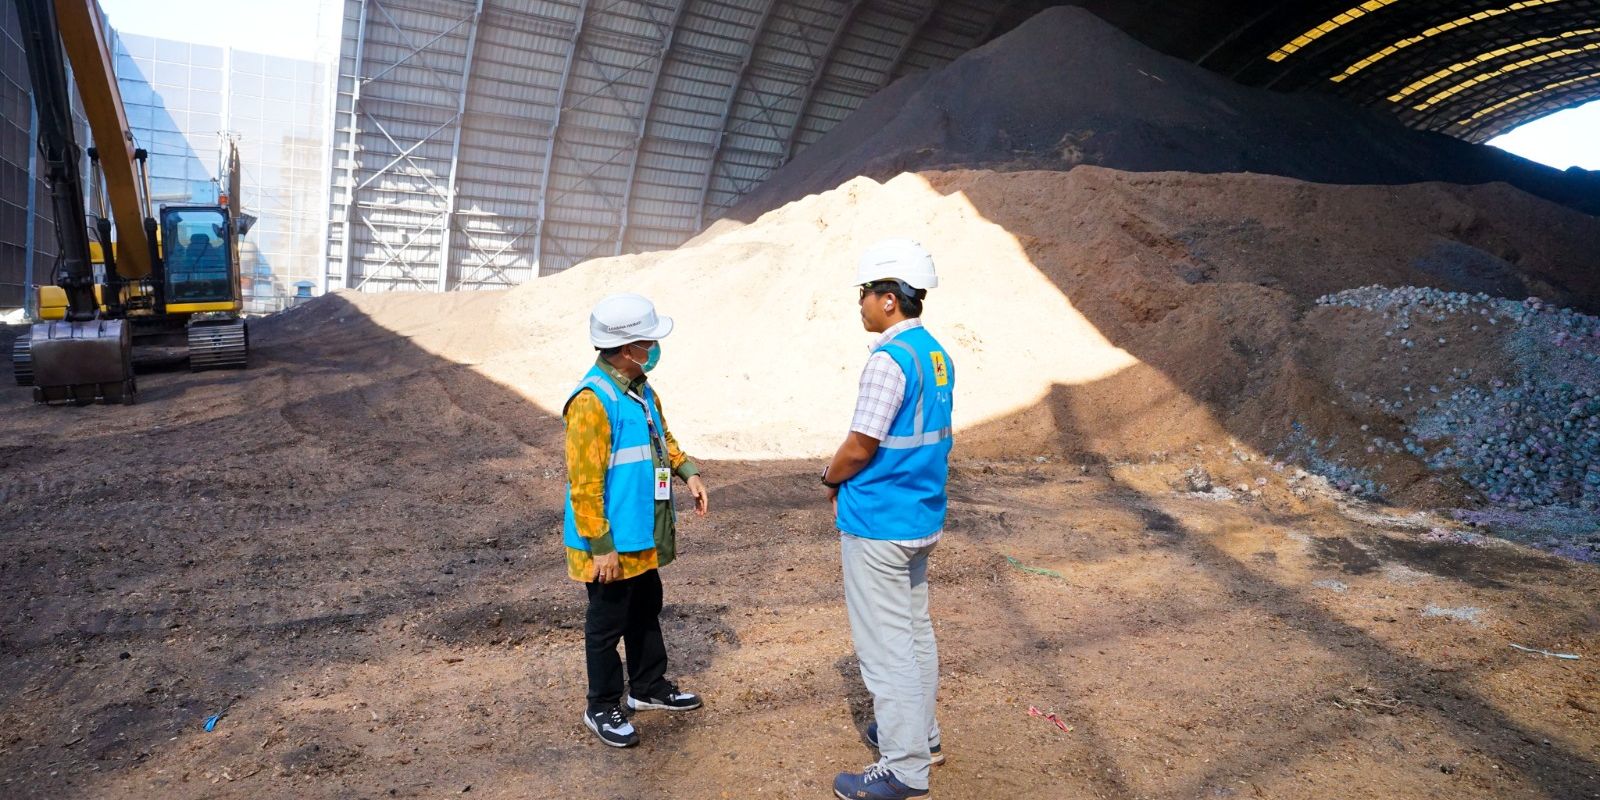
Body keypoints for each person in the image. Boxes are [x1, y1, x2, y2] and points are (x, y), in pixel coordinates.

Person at [822, 239, 953, 800]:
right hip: (919, 515)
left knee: (886, 650)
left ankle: (904, 768)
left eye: (865, 294)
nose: (860, 304)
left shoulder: (887, 360)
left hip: (878, 522)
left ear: (890, 300)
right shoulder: (935, 353)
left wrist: (830, 479)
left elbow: (860, 445)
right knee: (915, 633)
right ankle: (922, 736)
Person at [563, 292, 710, 748]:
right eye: (648, 342)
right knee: (605, 627)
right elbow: (584, 485)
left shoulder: (641, 387)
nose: (653, 349)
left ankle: (647, 688)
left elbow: (661, 437)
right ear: (627, 349)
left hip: (641, 534)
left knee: (646, 610)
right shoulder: (591, 402)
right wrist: (601, 546)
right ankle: (602, 705)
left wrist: (688, 472)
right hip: (611, 542)